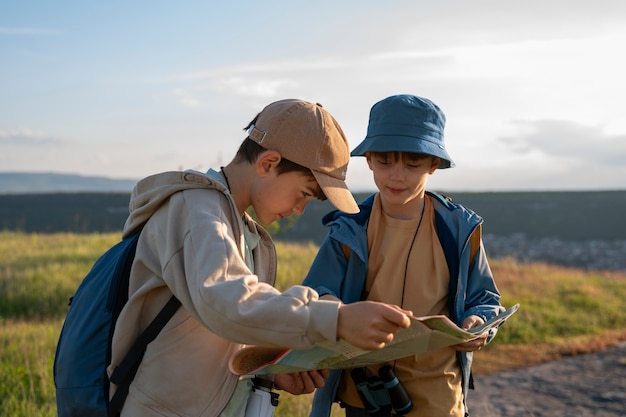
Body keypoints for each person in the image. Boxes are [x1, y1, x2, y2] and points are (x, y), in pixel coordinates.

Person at [107, 99, 413, 417]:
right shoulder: (197, 211)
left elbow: (216, 331)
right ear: (268, 163)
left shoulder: (240, 229)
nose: (299, 209)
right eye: (305, 194)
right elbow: (226, 303)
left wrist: (267, 369)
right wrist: (335, 319)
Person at [302, 94, 505, 417]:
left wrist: (479, 323)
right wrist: (333, 310)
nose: (397, 175)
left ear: (434, 164)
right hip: (363, 391)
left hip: (438, 391)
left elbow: (485, 298)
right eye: (384, 161)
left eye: (412, 164)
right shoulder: (348, 228)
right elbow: (315, 292)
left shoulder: (459, 229)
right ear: (368, 159)